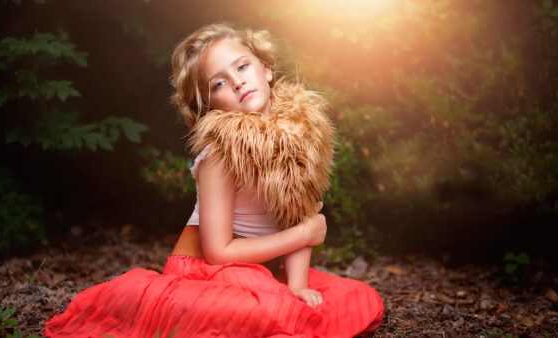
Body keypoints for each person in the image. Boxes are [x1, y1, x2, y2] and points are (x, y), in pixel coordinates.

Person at [43, 23, 384, 337]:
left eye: (242, 66)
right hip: (205, 272)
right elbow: (219, 252)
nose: (236, 81)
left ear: (266, 68)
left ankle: (280, 302)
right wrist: (303, 234)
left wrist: (295, 287)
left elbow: (297, 216)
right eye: (219, 83)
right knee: (267, 314)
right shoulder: (221, 155)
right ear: (209, 106)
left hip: (260, 275)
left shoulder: (300, 139)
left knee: (356, 300)